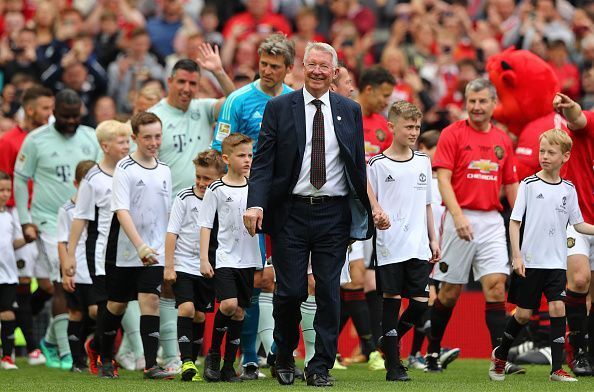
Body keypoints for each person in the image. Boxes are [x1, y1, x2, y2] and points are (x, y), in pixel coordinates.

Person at [243, 42, 381, 387]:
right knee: (289, 292)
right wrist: (255, 203)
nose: (318, 71)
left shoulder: (350, 110)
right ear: (302, 68)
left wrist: (367, 209)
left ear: (335, 73)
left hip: (334, 214)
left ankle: (320, 365)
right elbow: (263, 161)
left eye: (325, 66)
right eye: (312, 65)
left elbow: (356, 165)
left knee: (329, 291)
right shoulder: (279, 107)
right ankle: (285, 354)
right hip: (290, 212)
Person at [211, 32, 295, 380]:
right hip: (247, 201)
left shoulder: (296, 100)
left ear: (289, 68)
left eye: (275, 66)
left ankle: (278, 353)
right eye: (264, 64)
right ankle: (248, 357)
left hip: (289, 199)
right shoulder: (238, 100)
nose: (268, 71)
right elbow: (220, 149)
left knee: (288, 278)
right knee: (255, 276)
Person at [427, 79, 520, 373]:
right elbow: (443, 178)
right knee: (450, 292)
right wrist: (457, 216)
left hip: (492, 219)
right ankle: (431, 353)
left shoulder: (503, 140)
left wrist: (520, 219)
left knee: (496, 287)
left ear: (493, 104)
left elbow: (510, 183)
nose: (477, 107)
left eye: (482, 101)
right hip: (459, 216)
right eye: (472, 101)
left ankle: (499, 361)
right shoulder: (453, 133)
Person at [148, 55, 233, 370]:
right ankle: (169, 355)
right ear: (170, 81)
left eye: (192, 83)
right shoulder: (156, 116)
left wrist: (219, 71)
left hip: (204, 216)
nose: (186, 89)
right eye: (181, 82)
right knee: (168, 286)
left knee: (196, 301)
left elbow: (233, 100)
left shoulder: (202, 108)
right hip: (169, 213)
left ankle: (184, 358)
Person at [489, 129, 594, 382]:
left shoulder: (568, 189)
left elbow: (578, 225)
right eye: (542, 151)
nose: (544, 156)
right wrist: (517, 256)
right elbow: (514, 222)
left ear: (565, 156)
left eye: (551, 152)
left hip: (557, 262)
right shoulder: (528, 184)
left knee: (559, 308)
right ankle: (500, 355)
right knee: (523, 314)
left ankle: (556, 369)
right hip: (531, 262)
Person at [13, 89, 100, 370]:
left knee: (77, 286)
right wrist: (26, 219)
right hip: (49, 219)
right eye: (65, 116)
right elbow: (20, 178)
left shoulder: (90, 137)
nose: (71, 121)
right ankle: (66, 352)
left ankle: (52, 341)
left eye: (76, 116)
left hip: (84, 220)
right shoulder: (36, 140)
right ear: (55, 113)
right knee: (64, 280)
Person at [367, 101, 440, 382]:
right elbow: (371, 200)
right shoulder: (377, 164)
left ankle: (388, 343)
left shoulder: (423, 160)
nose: (413, 132)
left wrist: (434, 239)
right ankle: (394, 367)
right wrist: (376, 211)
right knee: (392, 299)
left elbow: (428, 204)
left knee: (421, 303)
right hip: (390, 244)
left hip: (419, 243)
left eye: (417, 127)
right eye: (408, 126)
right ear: (391, 127)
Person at [98, 112, 173, 380]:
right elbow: (122, 210)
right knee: (116, 305)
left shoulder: (164, 169)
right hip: (126, 251)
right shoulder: (125, 169)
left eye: (158, 136)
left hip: (153, 251)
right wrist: (139, 245)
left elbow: (165, 213)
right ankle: (104, 357)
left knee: (150, 300)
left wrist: (163, 248)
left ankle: (151, 364)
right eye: (147, 137)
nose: (154, 142)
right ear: (134, 138)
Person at [62, 120, 135, 375]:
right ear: (105, 146)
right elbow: (80, 217)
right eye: (121, 141)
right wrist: (70, 255)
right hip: (101, 250)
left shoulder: (133, 169)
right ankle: (106, 360)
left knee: (121, 305)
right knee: (105, 304)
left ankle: (97, 346)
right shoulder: (93, 178)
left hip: (129, 250)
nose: (127, 146)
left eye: (128, 141)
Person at [198, 134, 261, 382]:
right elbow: (205, 225)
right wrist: (205, 258)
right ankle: (212, 356)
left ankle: (228, 365)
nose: (247, 160)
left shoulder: (255, 186)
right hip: (225, 257)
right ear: (226, 158)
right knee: (228, 305)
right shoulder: (216, 188)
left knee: (239, 313)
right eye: (241, 155)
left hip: (249, 258)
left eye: (249, 155)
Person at [0, 85, 54, 366]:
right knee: (19, 281)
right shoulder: (9, 141)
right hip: (18, 217)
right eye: (45, 108)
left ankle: (23, 332)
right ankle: (30, 346)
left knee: (48, 285)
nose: (50, 114)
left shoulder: (49, 139)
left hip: (46, 216)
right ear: (30, 109)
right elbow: (4, 181)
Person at [163, 149, 225, 382]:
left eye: (206, 179)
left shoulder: (222, 199)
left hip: (208, 266)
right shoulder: (184, 197)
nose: (200, 182)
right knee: (186, 309)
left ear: (219, 177)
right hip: (183, 263)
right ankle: (186, 361)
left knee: (199, 315)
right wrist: (169, 266)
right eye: (198, 176)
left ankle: (194, 359)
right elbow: (172, 233)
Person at [551, 93, 594, 375]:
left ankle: (588, 352)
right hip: (577, 221)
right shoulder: (590, 123)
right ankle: (577, 351)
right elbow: (578, 118)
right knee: (579, 280)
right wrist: (570, 109)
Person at [57, 159, 96, 372]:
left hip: (95, 267)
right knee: (76, 313)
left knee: (96, 311)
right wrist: (65, 271)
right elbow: (61, 242)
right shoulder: (68, 210)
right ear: (76, 184)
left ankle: (93, 349)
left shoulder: (99, 207)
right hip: (75, 269)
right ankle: (76, 361)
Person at [0, 170, 28, 370]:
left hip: (8, 275)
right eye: (1, 190)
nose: (5, 193)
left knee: (7, 313)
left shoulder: (10, 217)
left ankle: (7, 357)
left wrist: (28, 238)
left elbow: (13, 244)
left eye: (7, 190)